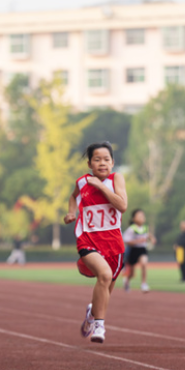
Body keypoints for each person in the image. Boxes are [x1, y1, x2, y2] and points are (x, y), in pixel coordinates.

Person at [64, 142, 127, 344]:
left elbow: (122, 205)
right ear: (90, 163)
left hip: (113, 243)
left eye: (106, 159)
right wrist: (71, 212)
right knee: (105, 275)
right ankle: (100, 325)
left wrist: (100, 186)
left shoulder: (116, 179)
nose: (102, 163)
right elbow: (73, 197)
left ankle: (92, 312)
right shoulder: (82, 182)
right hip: (88, 239)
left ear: (113, 162)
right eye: (97, 159)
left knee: (106, 288)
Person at [122, 209, 156, 293]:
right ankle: (127, 280)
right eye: (139, 216)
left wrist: (152, 238)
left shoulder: (145, 228)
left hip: (142, 250)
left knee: (144, 263)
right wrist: (138, 241)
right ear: (134, 219)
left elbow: (148, 235)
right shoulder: (131, 229)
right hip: (133, 250)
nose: (142, 217)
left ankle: (144, 284)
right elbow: (126, 240)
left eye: (143, 216)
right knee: (132, 273)